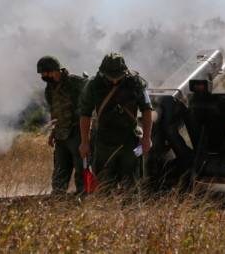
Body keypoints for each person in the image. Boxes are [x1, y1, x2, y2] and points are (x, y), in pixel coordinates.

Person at [78, 52, 152, 189]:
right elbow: (85, 114)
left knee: (132, 186)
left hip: (130, 142)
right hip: (103, 142)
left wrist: (146, 138)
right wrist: (84, 142)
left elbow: (147, 110)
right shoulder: (93, 85)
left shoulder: (136, 83)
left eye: (117, 76)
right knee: (104, 186)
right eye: (110, 76)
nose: (114, 80)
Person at [37, 56, 88, 195]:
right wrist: (52, 133)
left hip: (77, 132)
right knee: (60, 172)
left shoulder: (75, 82)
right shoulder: (49, 89)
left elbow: (90, 105)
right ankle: (58, 202)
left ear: (54, 70)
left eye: (44, 73)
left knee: (81, 170)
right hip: (60, 135)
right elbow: (54, 113)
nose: (43, 76)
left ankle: (84, 200)